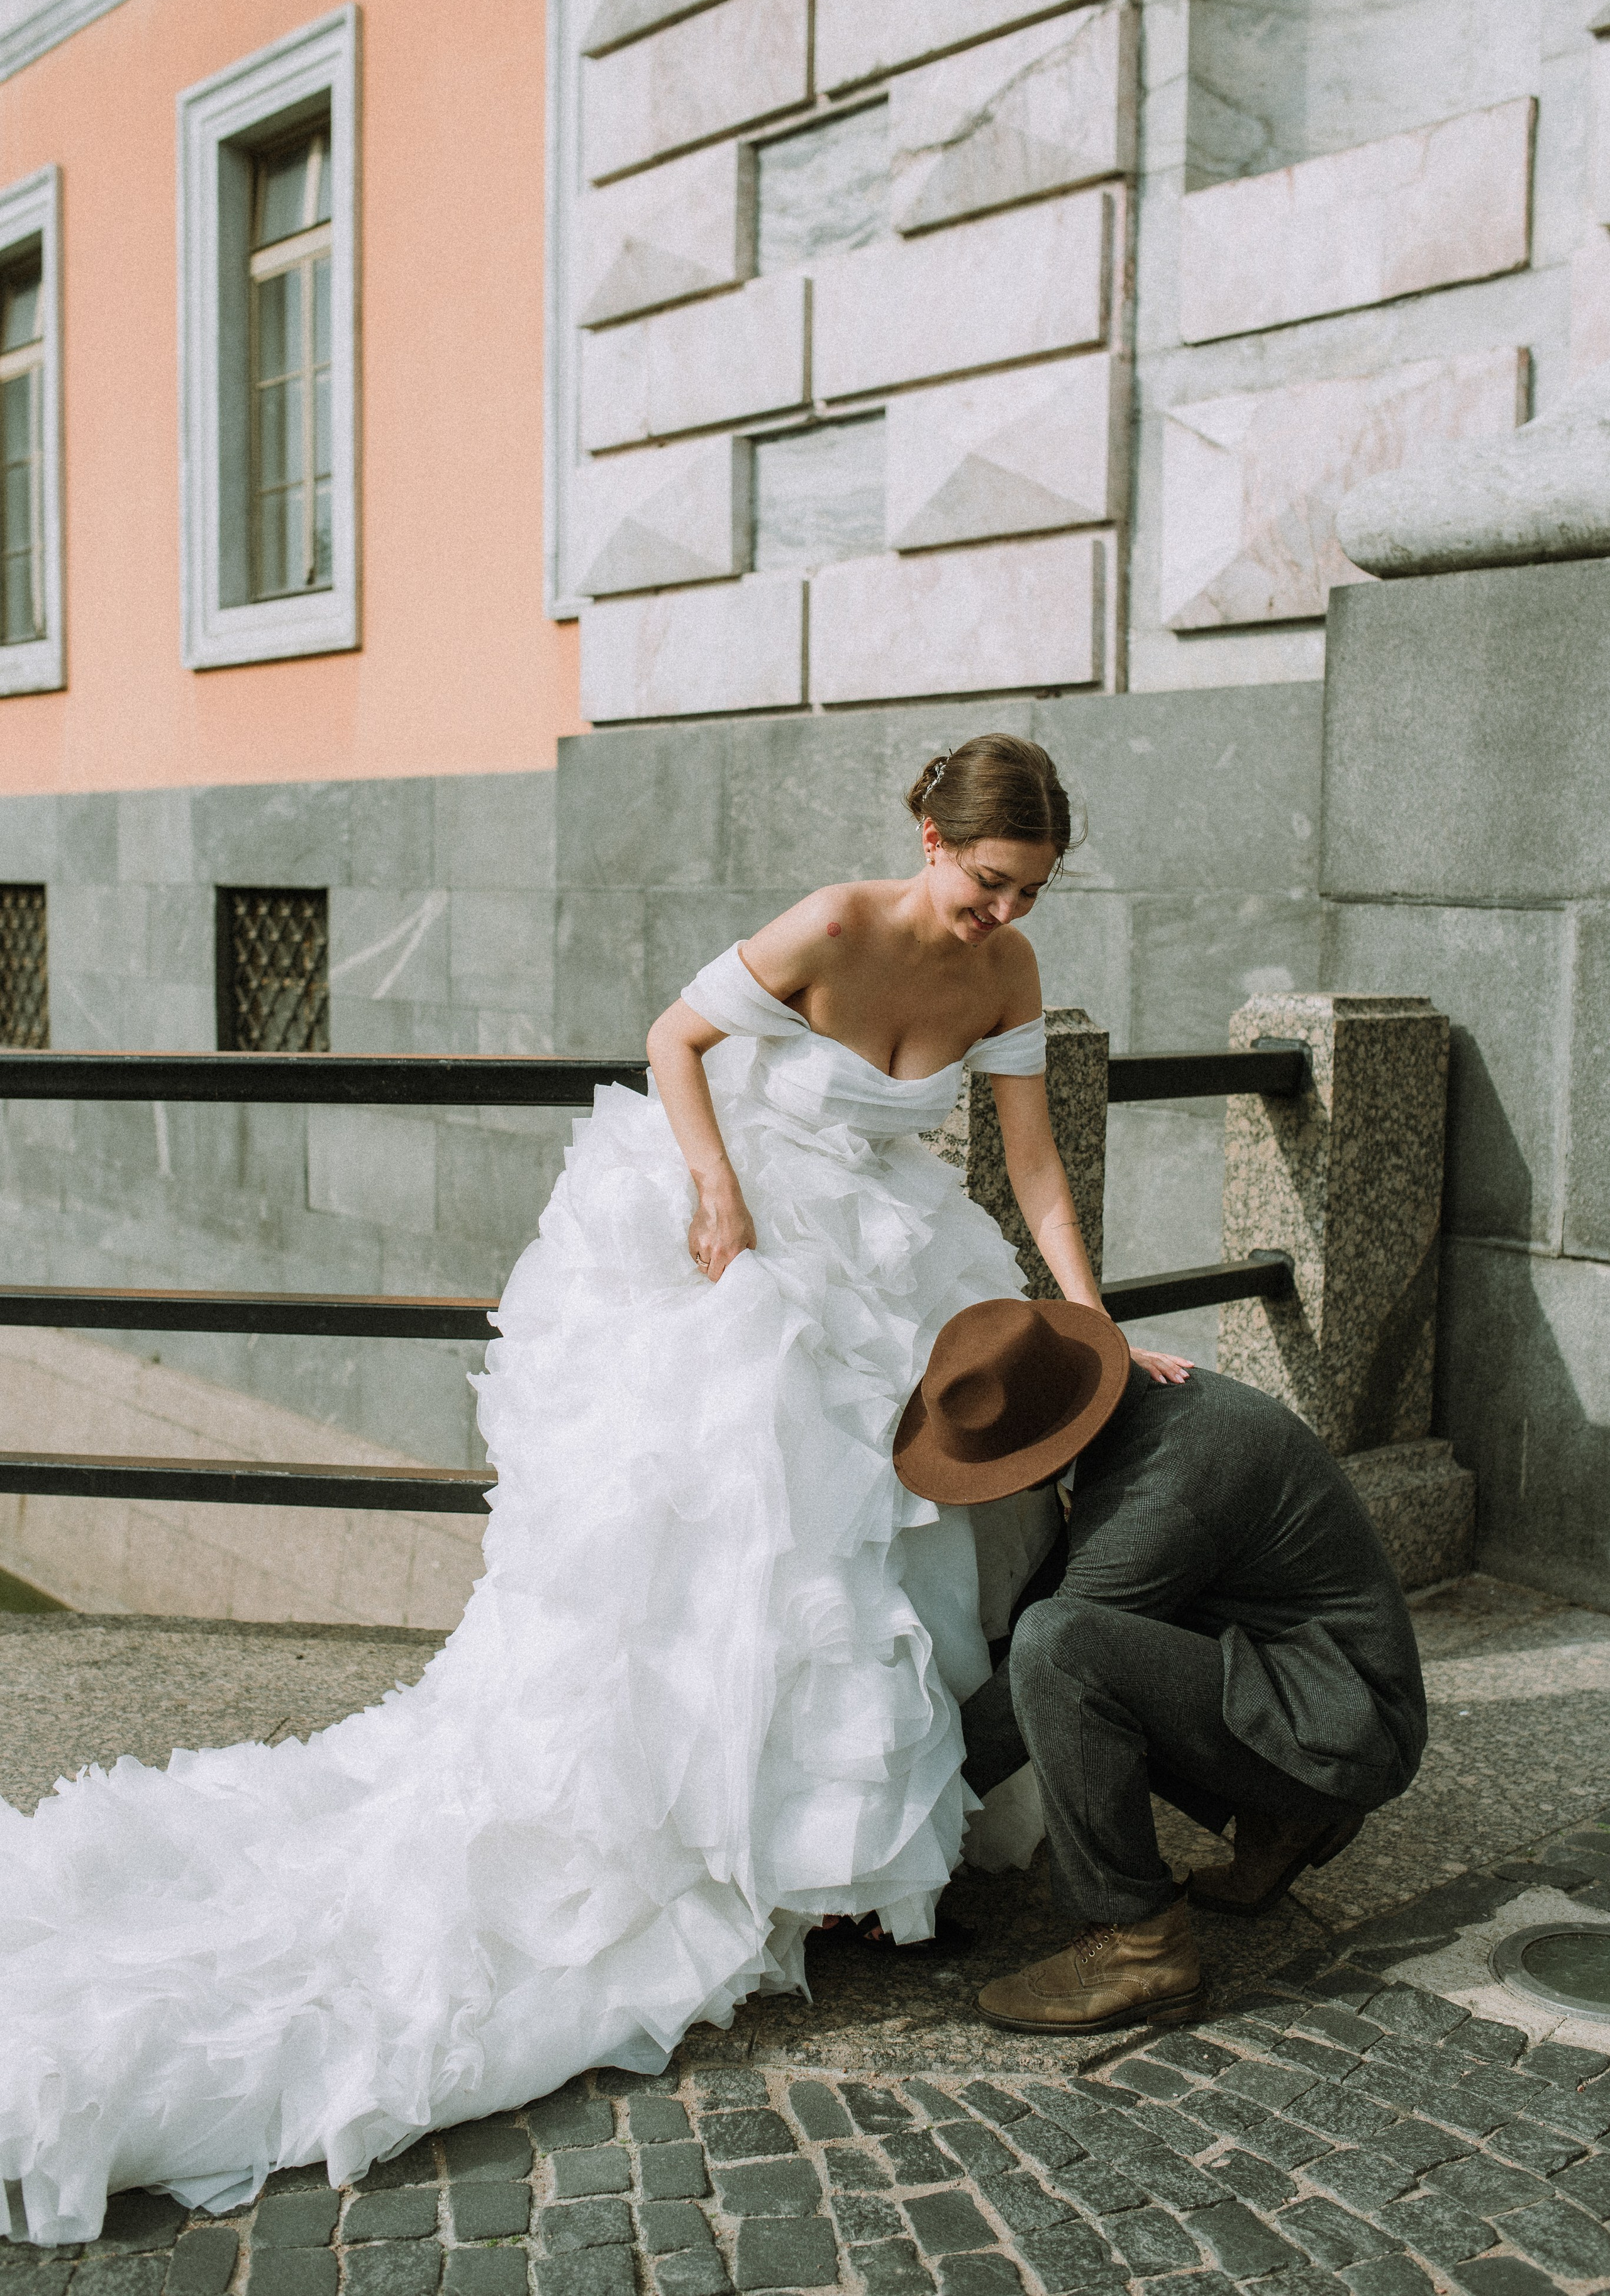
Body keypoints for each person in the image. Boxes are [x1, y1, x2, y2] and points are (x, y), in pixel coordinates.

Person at [0, 734, 1189, 2248]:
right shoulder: (829, 922)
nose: (997, 917)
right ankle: (713, 1840)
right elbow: (673, 1036)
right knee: (749, 1550)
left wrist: (1085, 1320)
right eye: (982, 882)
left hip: (894, 1253)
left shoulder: (1008, 978)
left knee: (899, 1553)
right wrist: (710, 1182)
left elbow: (1031, 1170)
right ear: (926, 835)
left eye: (1024, 894)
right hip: (753, 1241)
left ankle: (832, 1858)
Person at [891, 1298, 1429, 2035]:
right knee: (1058, 1630)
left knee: (1058, 1649)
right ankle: (1283, 1821)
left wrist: (887, 1837)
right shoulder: (1151, 1417)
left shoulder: (1158, 1493)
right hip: (1315, 1683)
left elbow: (1043, 1672)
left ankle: (1137, 1941)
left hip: (1343, 1725)